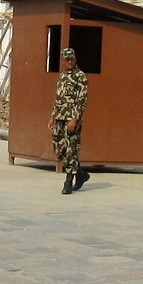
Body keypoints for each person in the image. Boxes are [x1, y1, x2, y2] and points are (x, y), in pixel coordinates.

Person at [50, 46, 90, 194]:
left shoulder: (80, 76)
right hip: (60, 116)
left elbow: (82, 100)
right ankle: (80, 173)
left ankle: (69, 181)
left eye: (72, 59)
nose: (70, 62)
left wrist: (74, 119)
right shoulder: (62, 75)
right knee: (58, 148)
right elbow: (58, 97)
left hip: (72, 117)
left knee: (71, 148)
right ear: (62, 60)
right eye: (67, 59)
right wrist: (53, 116)